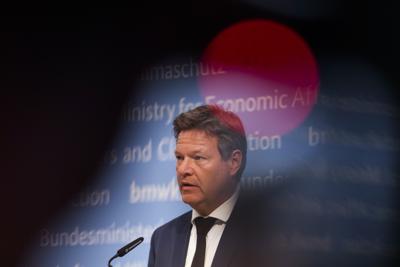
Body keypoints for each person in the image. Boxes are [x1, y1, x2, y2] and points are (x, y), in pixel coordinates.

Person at [148, 104, 269, 267]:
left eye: (198, 158)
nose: (183, 170)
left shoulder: (269, 232)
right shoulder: (163, 239)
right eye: (179, 157)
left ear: (234, 162)